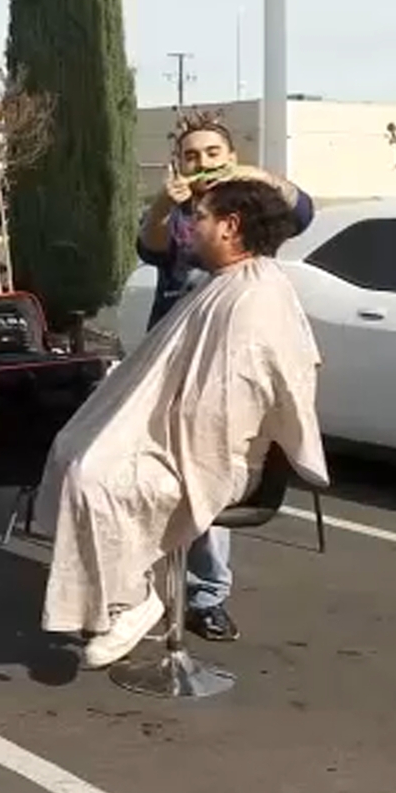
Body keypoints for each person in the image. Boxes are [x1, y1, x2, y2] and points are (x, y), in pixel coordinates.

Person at [39, 178, 329, 669]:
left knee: (97, 477)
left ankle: (130, 600)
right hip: (181, 436)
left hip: (219, 456)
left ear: (230, 227)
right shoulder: (222, 283)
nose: (189, 227)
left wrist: (155, 439)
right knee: (75, 448)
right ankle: (117, 595)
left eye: (199, 217)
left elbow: (228, 405)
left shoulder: (255, 298)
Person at [135, 115, 316, 643]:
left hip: (229, 369)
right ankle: (138, 591)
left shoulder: (254, 208)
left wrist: (256, 175)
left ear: (230, 156)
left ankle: (206, 596)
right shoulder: (178, 215)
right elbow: (149, 247)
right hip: (171, 361)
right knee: (148, 477)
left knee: (210, 474)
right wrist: (163, 204)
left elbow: (302, 212)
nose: (203, 163)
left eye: (213, 153)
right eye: (192, 155)